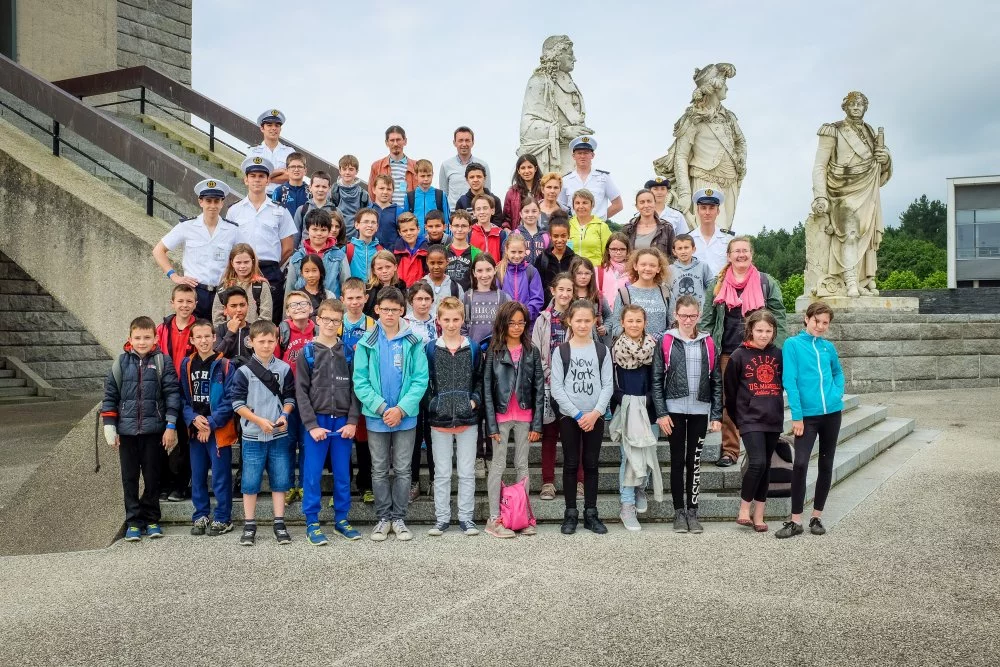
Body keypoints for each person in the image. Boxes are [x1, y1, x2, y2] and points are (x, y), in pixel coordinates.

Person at [700, 236, 787, 468]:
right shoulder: (716, 285)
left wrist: (774, 346)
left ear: (752, 254)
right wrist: (707, 350)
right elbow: (707, 321)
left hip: (759, 353)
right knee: (730, 402)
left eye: (745, 251)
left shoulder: (766, 282)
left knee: (762, 397)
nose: (741, 255)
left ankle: (760, 449)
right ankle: (730, 450)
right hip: (728, 351)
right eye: (736, 251)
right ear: (728, 256)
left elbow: (779, 315)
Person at [352, 286, 430, 542]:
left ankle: (400, 517)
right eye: (384, 309)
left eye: (394, 310)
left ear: (402, 311)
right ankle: (383, 517)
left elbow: (421, 380)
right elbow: (360, 381)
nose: (389, 314)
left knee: (404, 469)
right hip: (377, 417)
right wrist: (384, 408)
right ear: (376, 310)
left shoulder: (413, 341)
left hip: (405, 417)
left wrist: (401, 409)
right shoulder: (366, 343)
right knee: (379, 469)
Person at [101, 316, 180, 542]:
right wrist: (110, 427)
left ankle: (152, 518)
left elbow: (172, 395)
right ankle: (133, 521)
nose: (142, 342)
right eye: (138, 338)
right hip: (126, 433)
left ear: (155, 338)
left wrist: (171, 425)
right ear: (130, 338)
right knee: (129, 478)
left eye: (147, 337)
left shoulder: (163, 362)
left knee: (153, 477)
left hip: (154, 431)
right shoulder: (120, 363)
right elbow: (110, 397)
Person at [652, 296, 723, 534]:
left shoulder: (708, 342)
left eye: (692, 316)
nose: (688, 320)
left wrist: (716, 414)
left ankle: (693, 511)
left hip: (700, 410)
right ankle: (678, 512)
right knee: (676, 460)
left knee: (694, 462)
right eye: (683, 315)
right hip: (673, 410)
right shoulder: (666, 341)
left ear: (699, 315)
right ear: (676, 315)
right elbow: (656, 379)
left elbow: (716, 381)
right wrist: (661, 413)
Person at [296, 298, 362, 545]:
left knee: (343, 474)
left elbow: (357, 388)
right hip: (317, 422)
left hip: (343, 423)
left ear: (341, 322)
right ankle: (312, 522)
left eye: (336, 320)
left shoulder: (347, 352)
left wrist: (353, 421)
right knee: (312, 474)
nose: (330, 324)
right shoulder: (308, 352)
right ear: (317, 320)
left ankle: (341, 519)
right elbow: (301, 392)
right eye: (326, 319)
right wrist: (311, 425)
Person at [776, 301, 844, 539]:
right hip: (807, 416)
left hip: (832, 413)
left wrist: (837, 392)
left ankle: (817, 516)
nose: (821, 326)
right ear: (806, 319)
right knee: (801, 463)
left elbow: (837, 372)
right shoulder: (792, 345)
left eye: (825, 323)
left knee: (826, 464)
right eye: (817, 321)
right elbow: (790, 381)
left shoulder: (828, 348)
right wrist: (797, 416)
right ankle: (795, 520)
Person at [653, 63, 746, 231]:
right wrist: (685, 194)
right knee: (712, 228)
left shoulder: (729, 117)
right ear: (714, 87)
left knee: (725, 233)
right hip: (705, 176)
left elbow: (741, 141)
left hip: (731, 179)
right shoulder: (693, 118)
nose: (727, 87)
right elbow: (681, 156)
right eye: (724, 83)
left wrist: (740, 159)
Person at [230, 319, 296, 546]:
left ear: (277, 341)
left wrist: (284, 415)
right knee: (250, 481)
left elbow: (289, 398)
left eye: (271, 340)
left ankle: (279, 522)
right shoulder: (244, 372)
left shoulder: (285, 369)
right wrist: (258, 420)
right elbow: (237, 404)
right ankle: (250, 524)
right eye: (262, 341)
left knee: (280, 480)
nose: (267, 345)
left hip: (278, 435)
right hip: (252, 436)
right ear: (251, 342)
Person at [550, 299, 613, 535]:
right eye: (579, 320)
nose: (583, 325)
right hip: (570, 417)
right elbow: (557, 388)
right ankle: (570, 514)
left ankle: (591, 513)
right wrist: (577, 414)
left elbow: (608, 385)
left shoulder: (601, 350)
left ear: (595, 321)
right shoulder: (561, 351)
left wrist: (595, 413)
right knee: (570, 463)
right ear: (569, 321)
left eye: (588, 320)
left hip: (594, 416)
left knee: (591, 464)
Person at [483, 301, 544, 538]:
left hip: (525, 417)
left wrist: (537, 423)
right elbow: (487, 388)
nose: (517, 327)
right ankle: (494, 518)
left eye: (521, 323)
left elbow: (539, 389)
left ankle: (522, 517)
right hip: (499, 417)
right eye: (512, 322)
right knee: (497, 465)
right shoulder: (494, 350)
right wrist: (490, 424)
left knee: (522, 465)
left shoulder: (532, 351)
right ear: (503, 323)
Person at [424, 297, 482, 536]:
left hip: (467, 420)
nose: (451, 324)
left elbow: (479, 378)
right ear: (438, 321)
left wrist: (474, 400)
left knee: (467, 472)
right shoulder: (430, 348)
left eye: (455, 319)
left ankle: (466, 518)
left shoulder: (473, 348)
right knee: (443, 472)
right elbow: (424, 382)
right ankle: (442, 518)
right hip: (440, 421)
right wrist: (433, 403)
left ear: (463, 320)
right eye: (446, 320)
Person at [725, 309, 783, 533]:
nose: (764, 335)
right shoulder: (739, 356)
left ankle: (759, 515)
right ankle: (743, 509)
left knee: (766, 466)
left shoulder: (778, 354)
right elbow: (730, 393)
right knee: (757, 462)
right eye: (759, 330)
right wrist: (739, 419)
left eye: (768, 331)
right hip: (749, 419)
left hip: (773, 417)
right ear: (750, 330)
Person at [179, 319, 238, 537]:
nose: (203, 341)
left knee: (221, 475)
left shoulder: (225, 365)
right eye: (199, 337)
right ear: (192, 340)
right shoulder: (186, 364)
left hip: (218, 430)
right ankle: (201, 514)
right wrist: (193, 419)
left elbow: (231, 399)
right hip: (195, 430)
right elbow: (182, 398)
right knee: (198, 474)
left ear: (215, 338)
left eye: (207, 336)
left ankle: (223, 517)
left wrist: (211, 423)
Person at [153, 179, 239, 319]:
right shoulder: (187, 226)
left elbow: (244, 256)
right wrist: (174, 276)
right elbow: (158, 250)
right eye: (208, 200)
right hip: (194, 292)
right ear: (201, 202)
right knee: (193, 336)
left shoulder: (232, 229)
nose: (212, 205)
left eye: (216, 201)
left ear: (222, 203)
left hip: (223, 293)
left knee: (219, 337)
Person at [609, 304, 662, 532]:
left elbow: (658, 377)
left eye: (638, 321)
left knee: (648, 452)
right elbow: (611, 382)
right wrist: (624, 399)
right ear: (622, 323)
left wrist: (650, 400)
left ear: (645, 323)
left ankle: (641, 486)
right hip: (628, 408)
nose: (634, 325)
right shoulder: (615, 350)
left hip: (649, 407)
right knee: (629, 457)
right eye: (629, 321)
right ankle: (627, 505)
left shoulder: (654, 348)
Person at [531, 273, 582, 501]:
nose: (565, 294)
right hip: (549, 384)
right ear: (553, 291)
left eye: (569, 290)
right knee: (550, 435)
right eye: (561, 289)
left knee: (575, 436)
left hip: (575, 385)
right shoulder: (543, 319)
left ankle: (579, 481)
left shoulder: (579, 317)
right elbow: (536, 352)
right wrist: (551, 375)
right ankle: (548, 482)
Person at [229, 156, 297, 323]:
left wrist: (269, 267)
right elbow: (230, 245)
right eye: (253, 176)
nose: (257, 180)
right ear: (246, 180)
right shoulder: (234, 211)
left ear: (268, 181)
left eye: (261, 176)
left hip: (270, 271)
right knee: (240, 319)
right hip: (242, 271)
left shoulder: (280, 210)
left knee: (269, 321)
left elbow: (288, 247)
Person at [155, 285, 197, 502]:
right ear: (173, 303)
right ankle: (164, 484)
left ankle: (181, 485)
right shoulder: (161, 329)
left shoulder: (198, 328)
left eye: (189, 301)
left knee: (185, 441)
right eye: (180, 301)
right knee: (161, 440)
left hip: (189, 393)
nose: (184, 305)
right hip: (164, 391)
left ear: (195, 304)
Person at [340, 277, 376, 505]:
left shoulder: (373, 324)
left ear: (365, 298)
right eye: (349, 298)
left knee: (363, 439)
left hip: (364, 388)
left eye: (358, 298)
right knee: (343, 440)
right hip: (340, 388)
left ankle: (366, 485)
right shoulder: (336, 323)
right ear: (342, 299)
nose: (354, 302)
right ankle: (342, 487)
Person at [609, 248, 672, 341]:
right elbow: (616, 326)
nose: (647, 268)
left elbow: (674, 325)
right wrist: (637, 338)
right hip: (631, 351)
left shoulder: (666, 293)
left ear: (658, 268)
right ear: (635, 266)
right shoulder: (624, 293)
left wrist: (656, 338)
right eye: (643, 264)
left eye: (652, 265)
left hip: (659, 351)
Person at [286, 209, 349, 299]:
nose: (319, 233)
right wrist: (287, 312)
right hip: (303, 309)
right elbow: (289, 289)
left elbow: (346, 287)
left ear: (329, 231)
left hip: (331, 308)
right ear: (308, 229)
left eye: (323, 230)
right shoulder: (297, 257)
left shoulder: (339, 256)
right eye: (315, 229)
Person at [558, 136, 623, 220]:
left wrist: (600, 219)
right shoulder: (565, 180)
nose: (582, 156)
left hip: (597, 229)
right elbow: (560, 206)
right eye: (579, 153)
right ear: (573, 156)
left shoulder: (603, 178)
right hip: (574, 228)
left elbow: (618, 205)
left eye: (586, 153)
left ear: (592, 155)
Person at [211, 244, 272, 325]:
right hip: (230, 335)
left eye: (246, 262)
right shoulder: (224, 287)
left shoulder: (261, 285)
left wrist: (253, 333)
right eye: (238, 262)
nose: (242, 266)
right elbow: (217, 318)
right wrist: (228, 331)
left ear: (252, 261)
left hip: (255, 335)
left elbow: (266, 316)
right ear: (232, 263)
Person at [439, 126, 492, 210]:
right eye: (460, 140)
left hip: (477, 213)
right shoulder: (446, 165)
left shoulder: (483, 165)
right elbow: (443, 195)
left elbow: (487, 192)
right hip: (454, 214)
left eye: (467, 140)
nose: (464, 144)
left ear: (473, 142)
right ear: (454, 143)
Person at [463, 253, 511, 346]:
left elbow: (508, 327)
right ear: (474, 273)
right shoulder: (466, 298)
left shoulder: (504, 298)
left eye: (488, 270)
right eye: (480, 271)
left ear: (495, 269)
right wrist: (469, 348)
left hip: (497, 353)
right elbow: (462, 328)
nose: (484, 275)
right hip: (474, 353)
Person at [497, 234, 544, 327]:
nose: (517, 256)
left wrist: (523, 316)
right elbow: (496, 298)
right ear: (506, 250)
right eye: (513, 252)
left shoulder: (531, 271)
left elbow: (537, 299)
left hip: (526, 325)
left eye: (520, 252)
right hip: (505, 324)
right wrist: (507, 317)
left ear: (525, 251)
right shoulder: (499, 271)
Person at [247, 108, 294, 195]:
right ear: (262, 128)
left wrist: (264, 177)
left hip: (284, 198)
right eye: (269, 125)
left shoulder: (289, 152)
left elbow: (290, 176)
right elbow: (251, 177)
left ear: (280, 129)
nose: (273, 128)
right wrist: (280, 171)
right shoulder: (253, 151)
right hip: (261, 197)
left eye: (277, 125)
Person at [368, 125, 415, 208]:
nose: (395, 144)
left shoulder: (416, 166)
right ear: (386, 143)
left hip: (408, 216)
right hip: (385, 214)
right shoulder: (376, 166)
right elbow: (371, 194)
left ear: (405, 141)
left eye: (398, 140)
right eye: (392, 140)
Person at [569, 256, 611, 346]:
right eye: (579, 273)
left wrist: (605, 328)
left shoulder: (598, 297)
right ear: (572, 274)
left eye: (587, 273)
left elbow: (609, 316)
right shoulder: (567, 295)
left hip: (594, 342)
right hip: (569, 341)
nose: (583, 277)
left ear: (592, 274)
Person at [688, 188, 732, 275]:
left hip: (722, 287)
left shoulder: (729, 239)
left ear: (718, 211)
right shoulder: (689, 239)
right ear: (698, 211)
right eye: (703, 208)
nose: (707, 212)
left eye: (712, 208)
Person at [623, 189, 676, 258]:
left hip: (660, 268)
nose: (646, 205)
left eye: (649, 201)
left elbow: (673, 255)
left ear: (655, 203)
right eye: (642, 202)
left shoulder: (666, 228)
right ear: (637, 206)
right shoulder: (628, 229)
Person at [292, 170, 337, 249]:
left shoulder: (335, 211)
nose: (320, 190)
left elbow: (340, 236)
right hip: (305, 254)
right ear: (310, 187)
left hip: (327, 254)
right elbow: (296, 236)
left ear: (329, 189)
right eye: (317, 186)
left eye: (324, 187)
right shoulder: (302, 210)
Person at [668, 234, 714, 310]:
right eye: (679, 248)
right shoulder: (669, 269)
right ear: (674, 251)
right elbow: (667, 293)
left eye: (686, 248)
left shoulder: (703, 266)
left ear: (693, 249)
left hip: (699, 315)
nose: (683, 251)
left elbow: (711, 288)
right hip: (678, 315)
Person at [567, 188, 612, 265]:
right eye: (577, 203)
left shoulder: (602, 227)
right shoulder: (567, 225)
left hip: (595, 272)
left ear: (592, 205)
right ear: (573, 206)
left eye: (585, 203)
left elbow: (609, 254)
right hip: (571, 271)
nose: (581, 206)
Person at [405, 159, 450, 234]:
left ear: (433, 175)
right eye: (422, 176)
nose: (426, 179)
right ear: (416, 176)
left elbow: (447, 220)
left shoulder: (440, 195)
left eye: (429, 175)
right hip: (416, 239)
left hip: (436, 239)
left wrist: (447, 240)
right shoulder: (409, 197)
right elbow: (406, 221)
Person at [331, 155, 370, 238]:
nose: (347, 172)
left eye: (351, 169)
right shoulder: (333, 192)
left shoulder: (364, 195)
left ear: (357, 171)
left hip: (356, 239)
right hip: (336, 238)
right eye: (344, 169)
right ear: (340, 171)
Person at [535, 213, 575, 291]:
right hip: (548, 302)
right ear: (550, 236)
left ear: (568, 235)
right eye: (556, 236)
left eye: (563, 236)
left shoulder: (574, 259)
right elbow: (537, 287)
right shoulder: (542, 259)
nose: (559, 240)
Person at [455, 163, 504, 228]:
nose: (475, 180)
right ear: (467, 179)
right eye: (472, 177)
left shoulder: (495, 200)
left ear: (484, 178)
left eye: (479, 176)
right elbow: (459, 225)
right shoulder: (461, 202)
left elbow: (498, 224)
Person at [421, 244, 464, 317]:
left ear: (447, 262)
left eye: (440, 263)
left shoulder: (455, 288)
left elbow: (461, 314)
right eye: (432, 263)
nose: (436, 267)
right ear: (427, 262)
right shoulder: (420, 286)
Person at [213, 287, 252, 364]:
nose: (239, 310)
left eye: (242, 305)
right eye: (233, 306)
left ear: (248, 306)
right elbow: (216, 357)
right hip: (226, 373)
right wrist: (231, 332)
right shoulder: (219, 330)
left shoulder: (255, 330)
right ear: (225, 309)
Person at [363, 250, 407, 319]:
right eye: (380, 268)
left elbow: (403, 311)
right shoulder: (368, 289)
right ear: (374, 270)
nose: (384, 271)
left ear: (395, 267)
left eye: (388, 267)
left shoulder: (401, 287)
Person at [503, 154, 542, 230]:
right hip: (519, 236)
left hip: (540, 235)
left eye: (530, 167)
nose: (526, 171)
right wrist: (506, 228)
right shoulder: (511, 193)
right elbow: (506, 218)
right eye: (523, 168)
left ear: (535, 168)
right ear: (518, 171)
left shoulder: (543, 190)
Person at [445, 210, 480, 291]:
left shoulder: (477, 253)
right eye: (456, 226)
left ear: (470, 228)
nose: (460, 229)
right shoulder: (443, 251)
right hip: (447, 299)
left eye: (464, 226)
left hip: (467, 298)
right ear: (450, 227)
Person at [346, 208, 383, 281]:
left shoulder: (381, 251)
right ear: (357, 225)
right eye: (366, 222)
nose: (370, 225)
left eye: (373, 222)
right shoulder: (347, 250)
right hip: (354, 290)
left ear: (377, 227)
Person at [393, 213, 429, 287]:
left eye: (412, 229)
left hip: (420, 291)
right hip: (400, 291)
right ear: (399, 232)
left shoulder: (426, 250)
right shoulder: (395, 251)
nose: (409, 233)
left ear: (418, 229)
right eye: (405, 231)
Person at [597, 233, 631, 310]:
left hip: (627, 314)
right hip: (604, 314)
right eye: (614, 249)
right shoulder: (599, 271)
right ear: (608, 250)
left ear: (627, 250)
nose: (618, 252)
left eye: (622, 249)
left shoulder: (634, 272)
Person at [469, 193, 508, 261]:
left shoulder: (501, 234)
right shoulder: (469, 233)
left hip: (496, 271)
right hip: (476, 271)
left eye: (485, 208)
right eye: (478, 209)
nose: (482, 212)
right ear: (474, 213)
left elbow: (504, 258)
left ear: (492, 211)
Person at [371, 174, 404, 251]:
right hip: (370, 255)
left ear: (393, 191)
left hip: (391, 256)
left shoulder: (399, 212)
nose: (385, 192)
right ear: (374, 190)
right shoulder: (367, 211)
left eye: (389, 189)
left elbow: (402, 236)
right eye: (381, 188)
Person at [270, 152, 309, 218]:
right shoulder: (279, 191)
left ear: (305, 170)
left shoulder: (310, 191)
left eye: (299, 166)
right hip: (285, 228)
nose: (296, 169)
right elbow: (273, 216)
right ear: (287, 170)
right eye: (293, 166)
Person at [514, 196, 549, 265]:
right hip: (520, 275)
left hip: (541, 275)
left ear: (539, 213)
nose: (530, 214)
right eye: (526, 211)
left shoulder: (546, 237)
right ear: (521, 214)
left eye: (534, 211)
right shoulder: (514, 235)